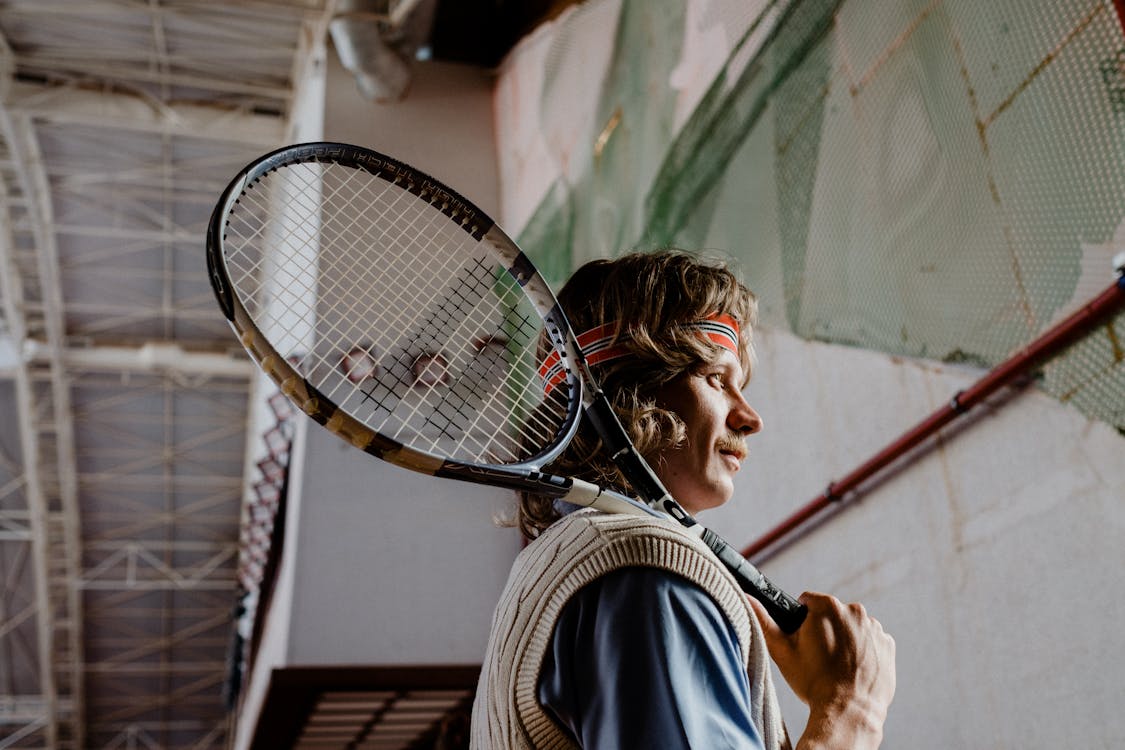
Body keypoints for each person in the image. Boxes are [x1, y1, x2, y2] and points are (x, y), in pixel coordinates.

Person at [471, 250, 895, 749]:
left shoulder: (571, 564)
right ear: (629, 391)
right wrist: (851, 713)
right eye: (717, 379)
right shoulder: (645, 570)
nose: (750, 417)